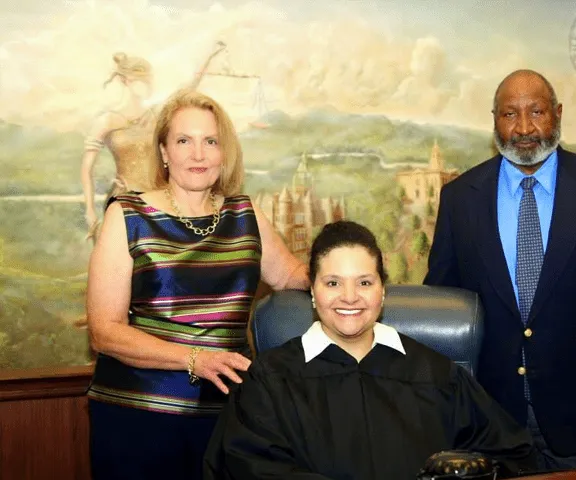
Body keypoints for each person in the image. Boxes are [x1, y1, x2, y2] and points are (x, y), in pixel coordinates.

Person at [424, 69, 576, 472]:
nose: (524, 128)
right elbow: (443, 308)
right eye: (510, 114)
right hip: (488, 423)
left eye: (537, 111)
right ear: (494, 119)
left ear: (558, 114)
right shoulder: (460, 199)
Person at [86, 88, 310, 480]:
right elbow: (105, 332)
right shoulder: (127, 215)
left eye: (210, 141)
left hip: (228, 419)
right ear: (164, 152)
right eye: (184, 141)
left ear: (224, 153)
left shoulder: (245, 213)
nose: (198, 154)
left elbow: (292, 276)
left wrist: (344, 273)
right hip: (139, 420)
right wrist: (195, 359)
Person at [204, 220, 537, 480]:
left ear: (382, 291)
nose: (350, 297)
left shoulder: (435, 373)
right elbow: (248, 469)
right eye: (333, 283)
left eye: (364, 282)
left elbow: (512, 454)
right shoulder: (270, 380)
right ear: (313, 292)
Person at [81, 43, 226, 240]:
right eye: (138, 79)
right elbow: (87, 168)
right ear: (125, 81)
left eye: (146, 79)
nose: (145, 84)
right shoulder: (107, 120)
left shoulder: (156, 114)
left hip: (160, 200)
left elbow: (188, 86)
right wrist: (90, 211)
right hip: (124, 201)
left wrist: (209, 56)